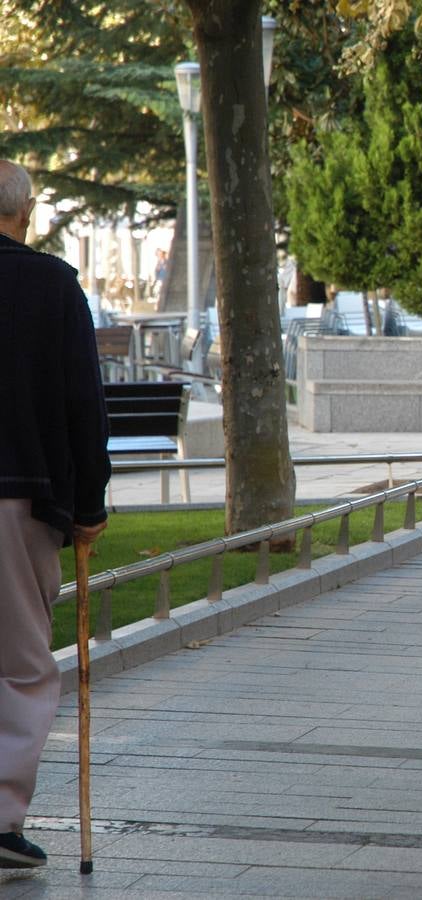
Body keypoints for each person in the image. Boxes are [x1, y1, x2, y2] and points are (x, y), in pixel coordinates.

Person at [0, 159, 111, 869]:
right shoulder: (52, 284)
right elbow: (82, 402)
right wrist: (89, 504)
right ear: (26, 211)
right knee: (18, 663)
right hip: (17, 497)